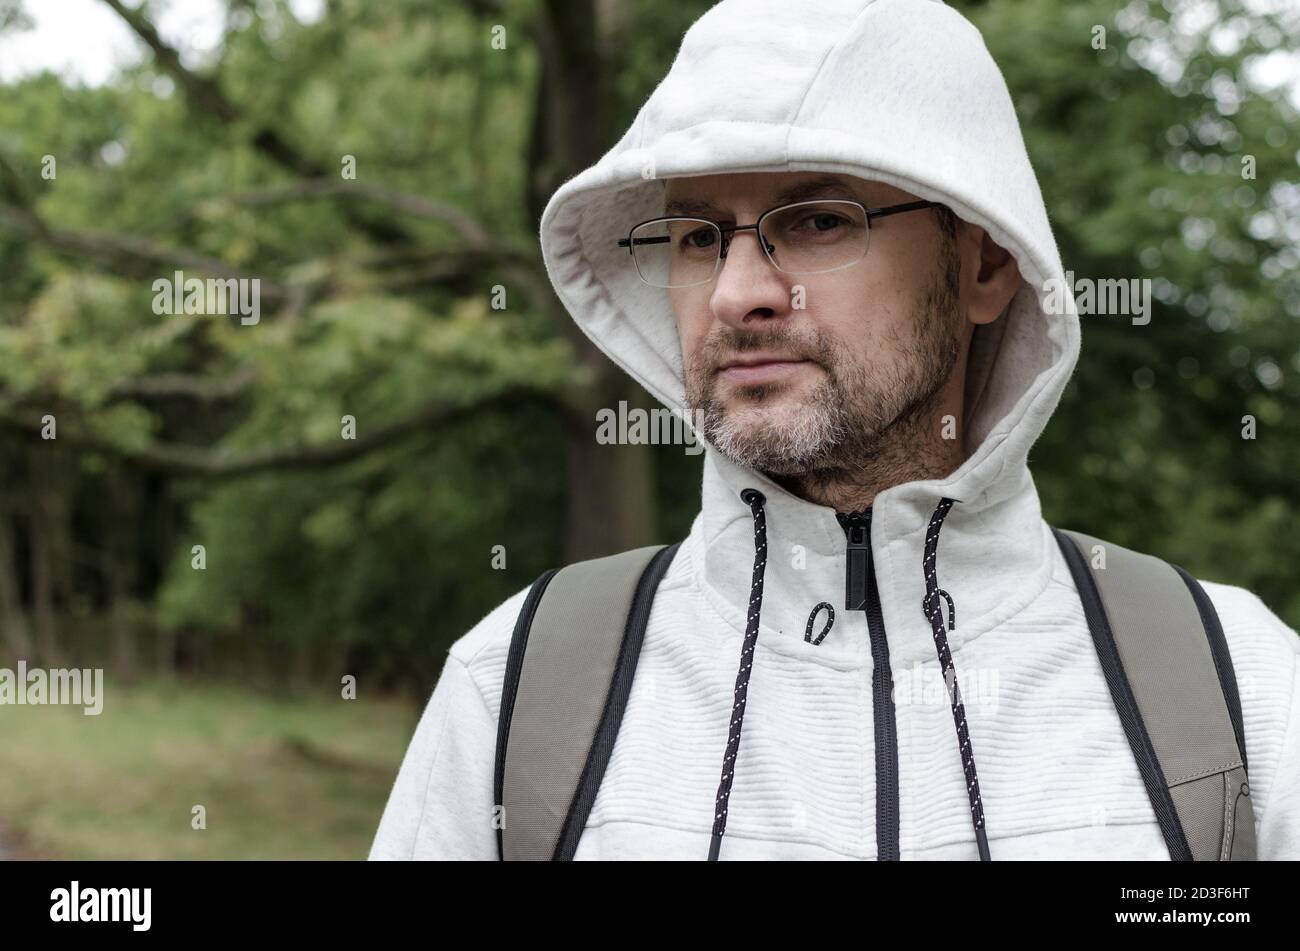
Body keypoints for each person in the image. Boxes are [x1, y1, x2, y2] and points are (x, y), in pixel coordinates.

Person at [369, 0, 1299, 860]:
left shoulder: (1236, 696)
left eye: (816, 221)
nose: (737, 294)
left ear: (983, 263)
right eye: (698, 237)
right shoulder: (520, 689)